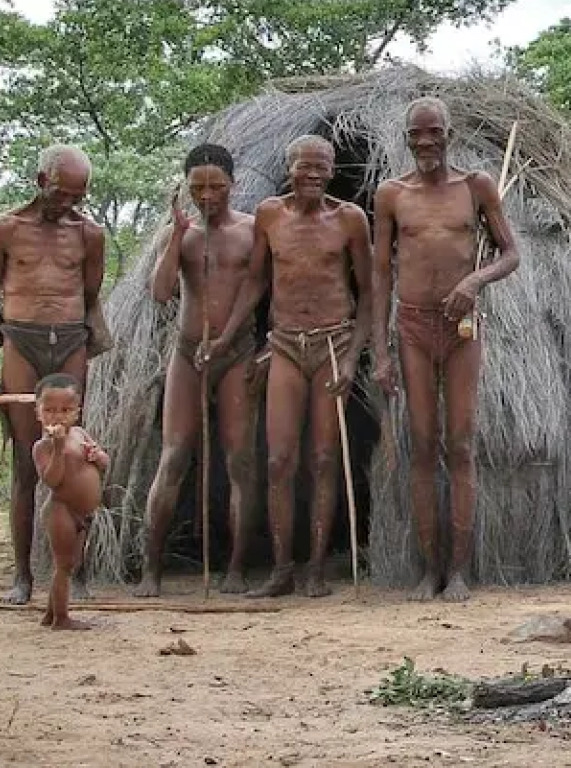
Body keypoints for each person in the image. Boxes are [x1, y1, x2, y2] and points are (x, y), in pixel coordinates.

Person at [370, 97, 522, 603]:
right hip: (411, 325)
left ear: (449, 133)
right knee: (421, 442)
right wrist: (381, 350)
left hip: (461, 326)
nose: (426, 142)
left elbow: (511, 253)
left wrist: (474, 281)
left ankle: (459, 570)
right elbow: (379, 274)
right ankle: (427, 570)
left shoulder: (476, 187)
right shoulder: (391, 194)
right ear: (407, 138)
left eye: (434, 132)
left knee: (459, 443)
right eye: (417, 134)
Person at [222, 136, 374, 599]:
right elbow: (255, 281)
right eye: (304, 166)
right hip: (285, 343)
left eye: (322, 167)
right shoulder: (270, 215)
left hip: (333, 342)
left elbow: (369, 293)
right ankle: (282, 566)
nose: (313, 175)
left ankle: (315, 569)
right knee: (279, 459)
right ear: (288, 168)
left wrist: (351, 357)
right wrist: (228, 336)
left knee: (324, 459)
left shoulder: (349, 219)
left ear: (332, 171)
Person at [0, 145, 107, 606]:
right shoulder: (6, 229)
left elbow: (89, 295)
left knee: (75, 456)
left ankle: (78, 571)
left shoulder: (89, 234)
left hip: (69, 340)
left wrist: (92, 340)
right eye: (60, 193)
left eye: (77, 196)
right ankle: (23, 575)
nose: (67, 204)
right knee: (25, 463)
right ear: (39, 181)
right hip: (20, 340)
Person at [138, 144, 262, 596]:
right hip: (187, 354)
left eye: (216, 186)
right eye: (197, 188)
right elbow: (160, 292)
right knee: (173, 456)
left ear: (233, 183)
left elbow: (258, 289)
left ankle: (236, 567)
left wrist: (227, 339)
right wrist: (175, 235)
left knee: (240, 461)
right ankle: (151, 568)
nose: (207, 195)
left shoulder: (252, 230)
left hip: (236, 351)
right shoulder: (184, 236)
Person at [30, 374, 108, 630]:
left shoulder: (81, 434)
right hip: (61, 510)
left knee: (70, 563)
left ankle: (50, 613)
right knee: (62, 565)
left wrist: (97, 456)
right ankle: (61, 618)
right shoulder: (43, 447)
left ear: (77, 412)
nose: (57, 416)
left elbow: (105, 464)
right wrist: (59, 447)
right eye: (50, 410)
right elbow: (52, 480)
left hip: (82, 513)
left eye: (65, 410)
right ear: (38, 413)